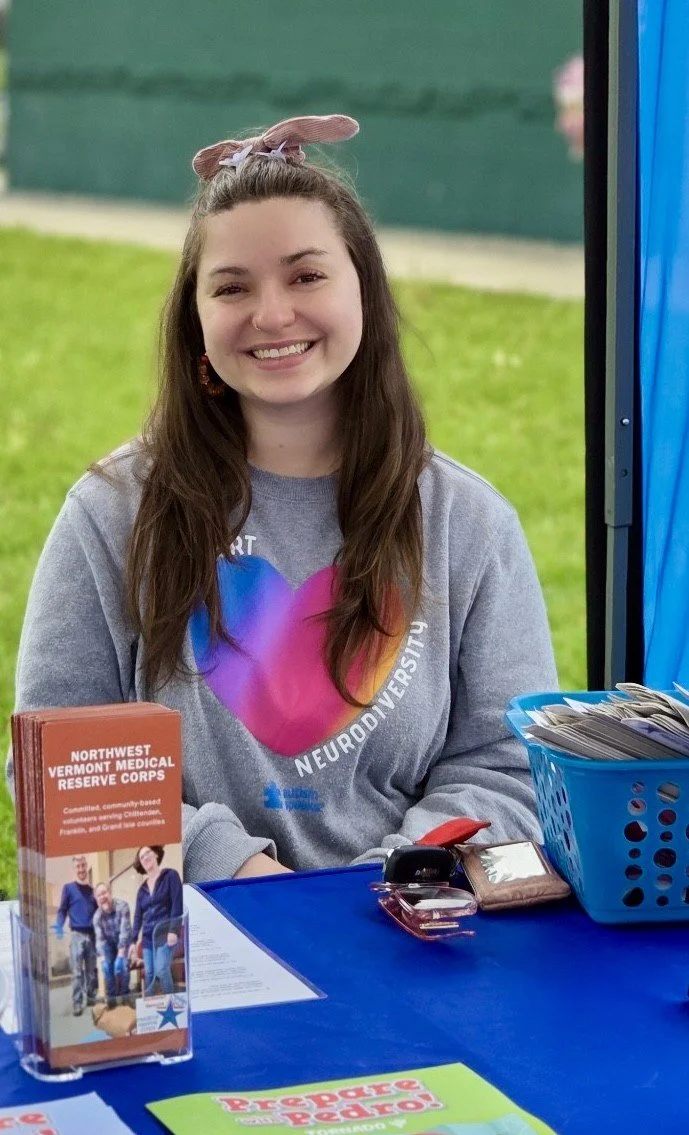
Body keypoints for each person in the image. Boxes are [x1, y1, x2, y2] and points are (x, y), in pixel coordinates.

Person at [9, 113, 558, 884]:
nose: (271, 315)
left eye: (305, 275)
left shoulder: (467, 523)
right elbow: (54, 757)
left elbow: (508, 764)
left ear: (361, 288)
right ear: (196, 322)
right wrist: (228, 867)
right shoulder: (112, 512)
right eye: (232, 286)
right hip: (187, 933)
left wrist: (374, 888)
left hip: (404, 933)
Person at [128, 846, 183, 997]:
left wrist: (173, 930)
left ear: (156, 854)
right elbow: (138, 916)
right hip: (147, 938)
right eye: (141, 857)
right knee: (150, 973)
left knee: (161, 969)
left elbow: (177, 904)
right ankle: (150, 1007)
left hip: (165, 935)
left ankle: (171, 1004)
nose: (145, 858)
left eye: (147, 853)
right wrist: (133, 941)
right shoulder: (142, 890)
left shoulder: (171, 876)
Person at [54, 854, 98, 1016]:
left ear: (86, 867)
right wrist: (59, 925)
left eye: (83, 866)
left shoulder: (93, 892)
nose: (81, 869)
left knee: (92, 970)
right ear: (74, 869)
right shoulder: (68, 889)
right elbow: (62, 910)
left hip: (92, 935)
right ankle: (77, 1002)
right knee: (77, 972)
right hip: (76, 935)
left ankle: (91, 997)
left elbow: (98, 914)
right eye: (78, 867)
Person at [92, 882, 132, 1008]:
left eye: (104, 893)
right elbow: (100, 940)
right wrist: (103, 960)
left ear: (110, 893)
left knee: (124, 967)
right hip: (108, 945)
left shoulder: (122, 906)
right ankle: (112, 1002)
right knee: (108, 970)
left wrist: (120, 956)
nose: (102, 897)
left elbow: (125, 933)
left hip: (123, 943)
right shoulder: (97, 917)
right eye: (99, 895)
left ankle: (125, 999)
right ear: (96, 899)